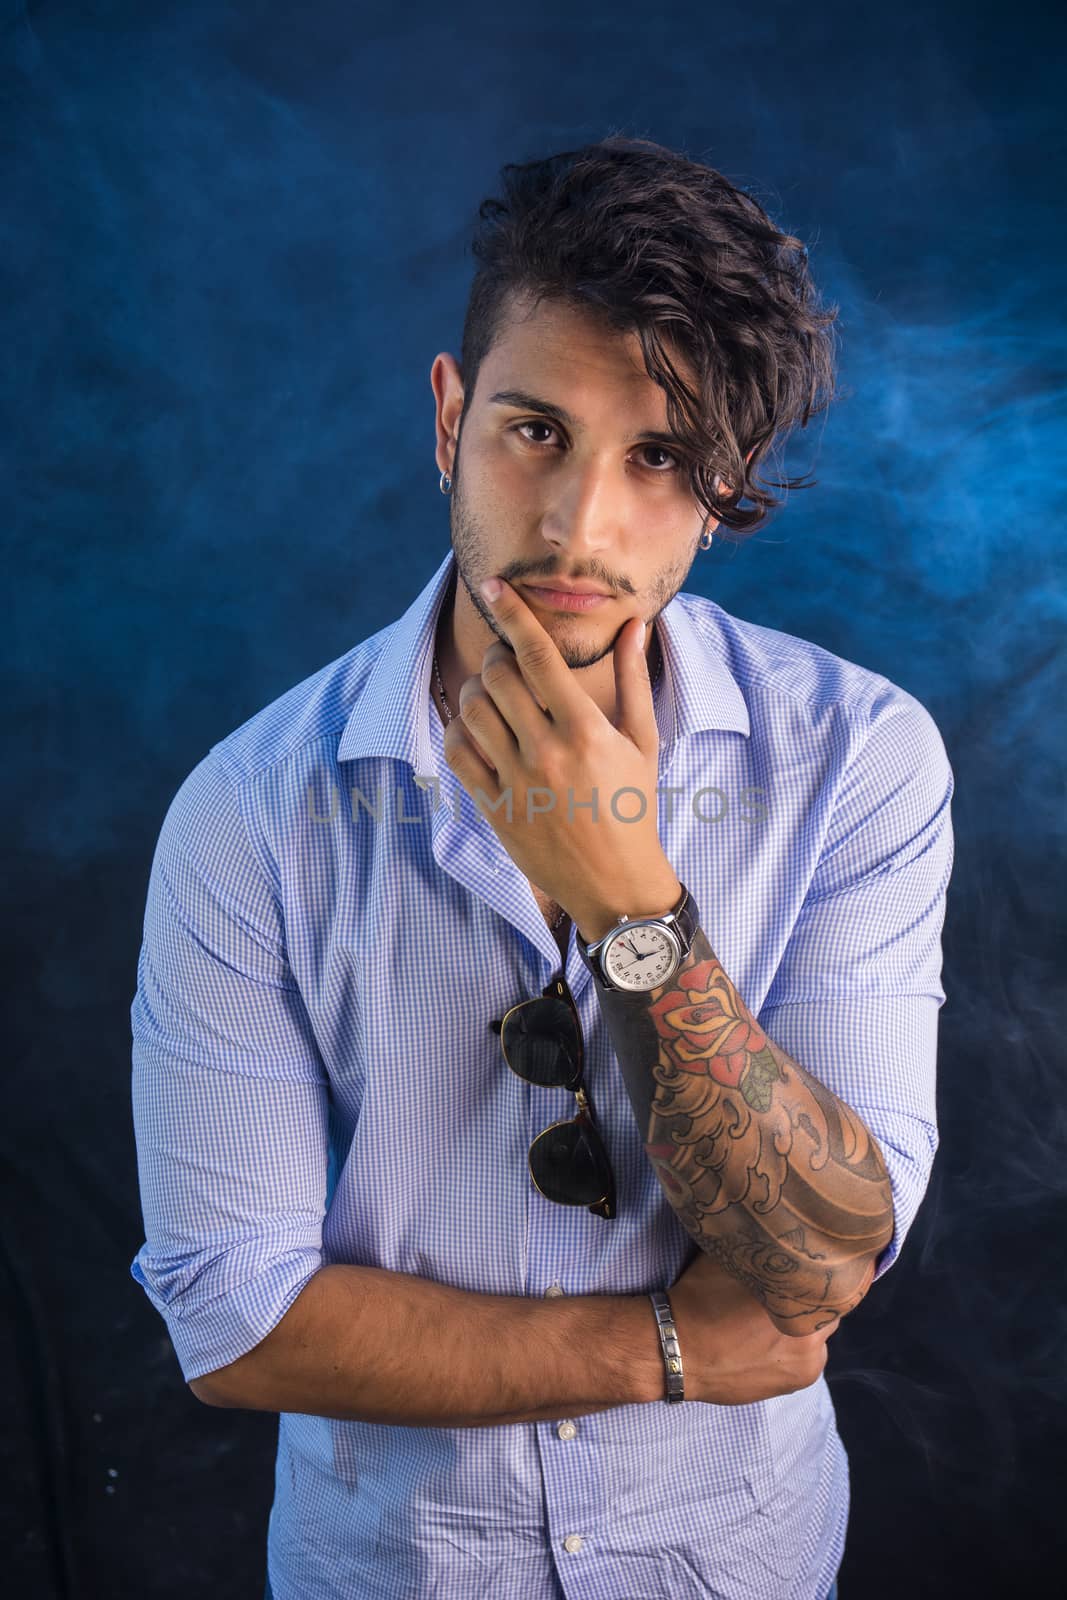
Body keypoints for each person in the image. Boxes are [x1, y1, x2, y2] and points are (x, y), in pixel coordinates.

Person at [129, 137, 953, 1600]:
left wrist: (632, 898)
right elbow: (237, 1320)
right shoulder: (251, 812)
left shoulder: (859, 764)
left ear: (727, 482)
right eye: (534, 431)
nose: (580, 527)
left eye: (655, 456)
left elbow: (819, 1274)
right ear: (449, 418)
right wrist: (668, 1351)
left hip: (736, 1564)